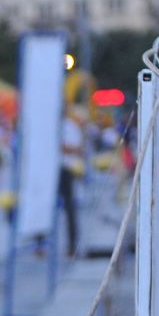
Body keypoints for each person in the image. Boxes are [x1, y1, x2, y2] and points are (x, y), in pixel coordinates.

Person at [59, 107, 87, 259]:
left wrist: (60, 146)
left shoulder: (70, 126)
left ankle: (72, 244)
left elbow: (77, 148)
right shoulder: (49, 125)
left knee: (70, 208)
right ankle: (40, 243)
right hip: (51, 169)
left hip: (67, 170)